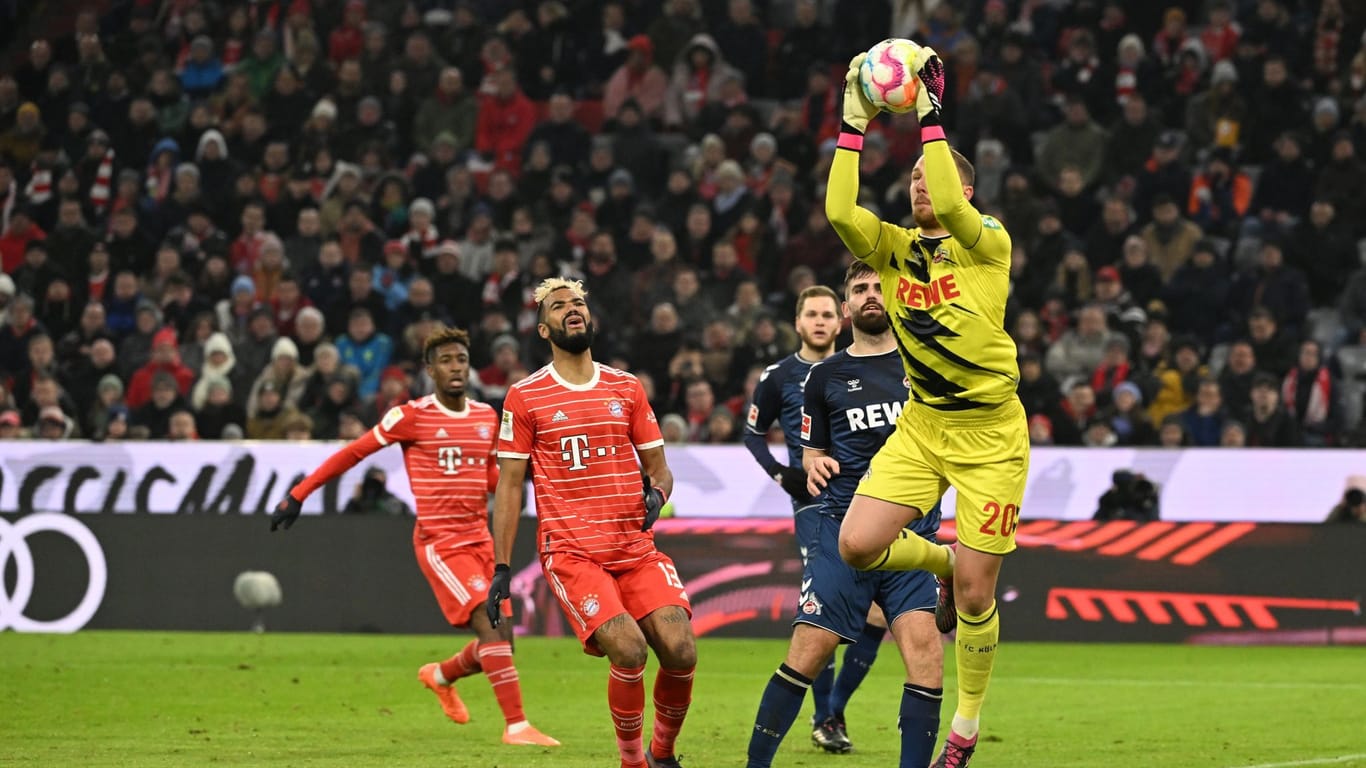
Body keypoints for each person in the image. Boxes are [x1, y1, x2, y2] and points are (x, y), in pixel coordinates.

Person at [827, 46, 1028, 767]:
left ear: (964, 194)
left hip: (991, 435)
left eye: (928, 177)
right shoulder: (890, 250)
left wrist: (929, 117)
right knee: (856, 544)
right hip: (924, 426)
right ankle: (943, 560)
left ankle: (966, 728)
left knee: (976, 601)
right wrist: (853, 127)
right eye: (910, 176)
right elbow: (837, 208)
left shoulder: (988, 247)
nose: (918, 186)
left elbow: (948, 201)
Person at [269, 326, 559, 748]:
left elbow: (489, 476)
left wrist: (532, 483)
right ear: (430, 371)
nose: (455, 367)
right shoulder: (410, 416)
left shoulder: (485, 416)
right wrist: (298, 494)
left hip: (480, 539)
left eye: (461, 359)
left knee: (503, 645)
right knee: (489, 626)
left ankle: (440, 675)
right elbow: (354, 452)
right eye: (446, 361)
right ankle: (517, 726)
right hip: (441, 542)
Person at [488, 278, 695, 768]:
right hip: (574, 552)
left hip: (635, 547)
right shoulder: (524, 397)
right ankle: (632, 763)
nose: (572, 310)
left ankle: (662, 755)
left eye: (578, 302)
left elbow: (659, 467)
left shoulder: (626, 387)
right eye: (559, 306)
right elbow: (511, 486)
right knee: (629, 649)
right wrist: (501, 567)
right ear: (544, 328)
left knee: (682, 650)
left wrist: (658, 492)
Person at [747, 261, 945, 768]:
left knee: (927, 656)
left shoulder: (925, 364)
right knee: (807, 653)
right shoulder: (823, 377)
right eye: (861, 289)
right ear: (846, 308)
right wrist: (811, 465)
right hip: (844, 530)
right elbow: (812, 452)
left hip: (911, 535)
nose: (872, 295)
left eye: (881, 287)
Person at [741, 281, 886, 753]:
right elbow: (752, 433)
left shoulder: (862, 365)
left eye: (828, 314)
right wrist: (783, 476)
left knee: (880, 616)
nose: (821, 321)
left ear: (840, 319)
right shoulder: (780, 376)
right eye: (812, 315)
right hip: (814, 503)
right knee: (823, 609)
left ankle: (834, 708)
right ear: (799, 323)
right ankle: (825, 716)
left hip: (874, 499)